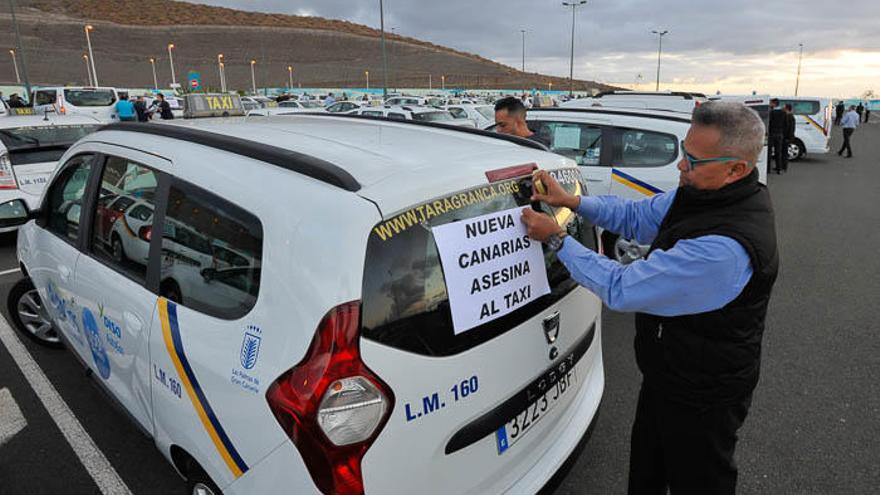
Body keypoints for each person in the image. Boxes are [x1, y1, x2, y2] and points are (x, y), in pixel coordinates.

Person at [521, 101, 778, 495]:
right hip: (670, 371)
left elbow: (622, 287)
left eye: (693, 161)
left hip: (704, 391)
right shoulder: (706, 194)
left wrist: (556, 239)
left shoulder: (725, 248)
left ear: (736, 169)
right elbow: (637, 216)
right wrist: (571, 201)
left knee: (701, 480)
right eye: (682, 153)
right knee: (647, 469)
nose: (681, 167)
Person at [768, 98, 787, 174]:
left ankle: (768, 169)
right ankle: (778, 169)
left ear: (774, 104)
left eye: (770, 103)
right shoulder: (783, 112)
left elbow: (769, 123)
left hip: (772, 134)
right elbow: (785, 124)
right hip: (780, 134)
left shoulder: (771, 112)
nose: (769, 104)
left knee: (769, 152)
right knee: (778, 152)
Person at [782, 103, 795, 173]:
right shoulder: (789, 116)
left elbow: (790, 128)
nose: (782, 108)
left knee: (784, 152)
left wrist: (788, 138)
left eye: (783, 107)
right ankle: (782, 166)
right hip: (787, 137)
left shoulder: (789, 116)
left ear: (786, 108)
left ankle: (784, 167)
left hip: (786, 137)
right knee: (783, 152)